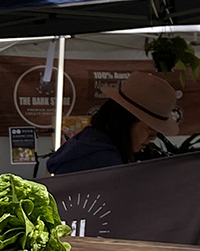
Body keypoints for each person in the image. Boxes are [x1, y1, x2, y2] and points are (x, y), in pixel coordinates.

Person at [47, 71, 181, 175]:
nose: (152, 137)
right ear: (126, 122)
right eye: (150, 129)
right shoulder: (103, 161)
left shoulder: (89, 143)